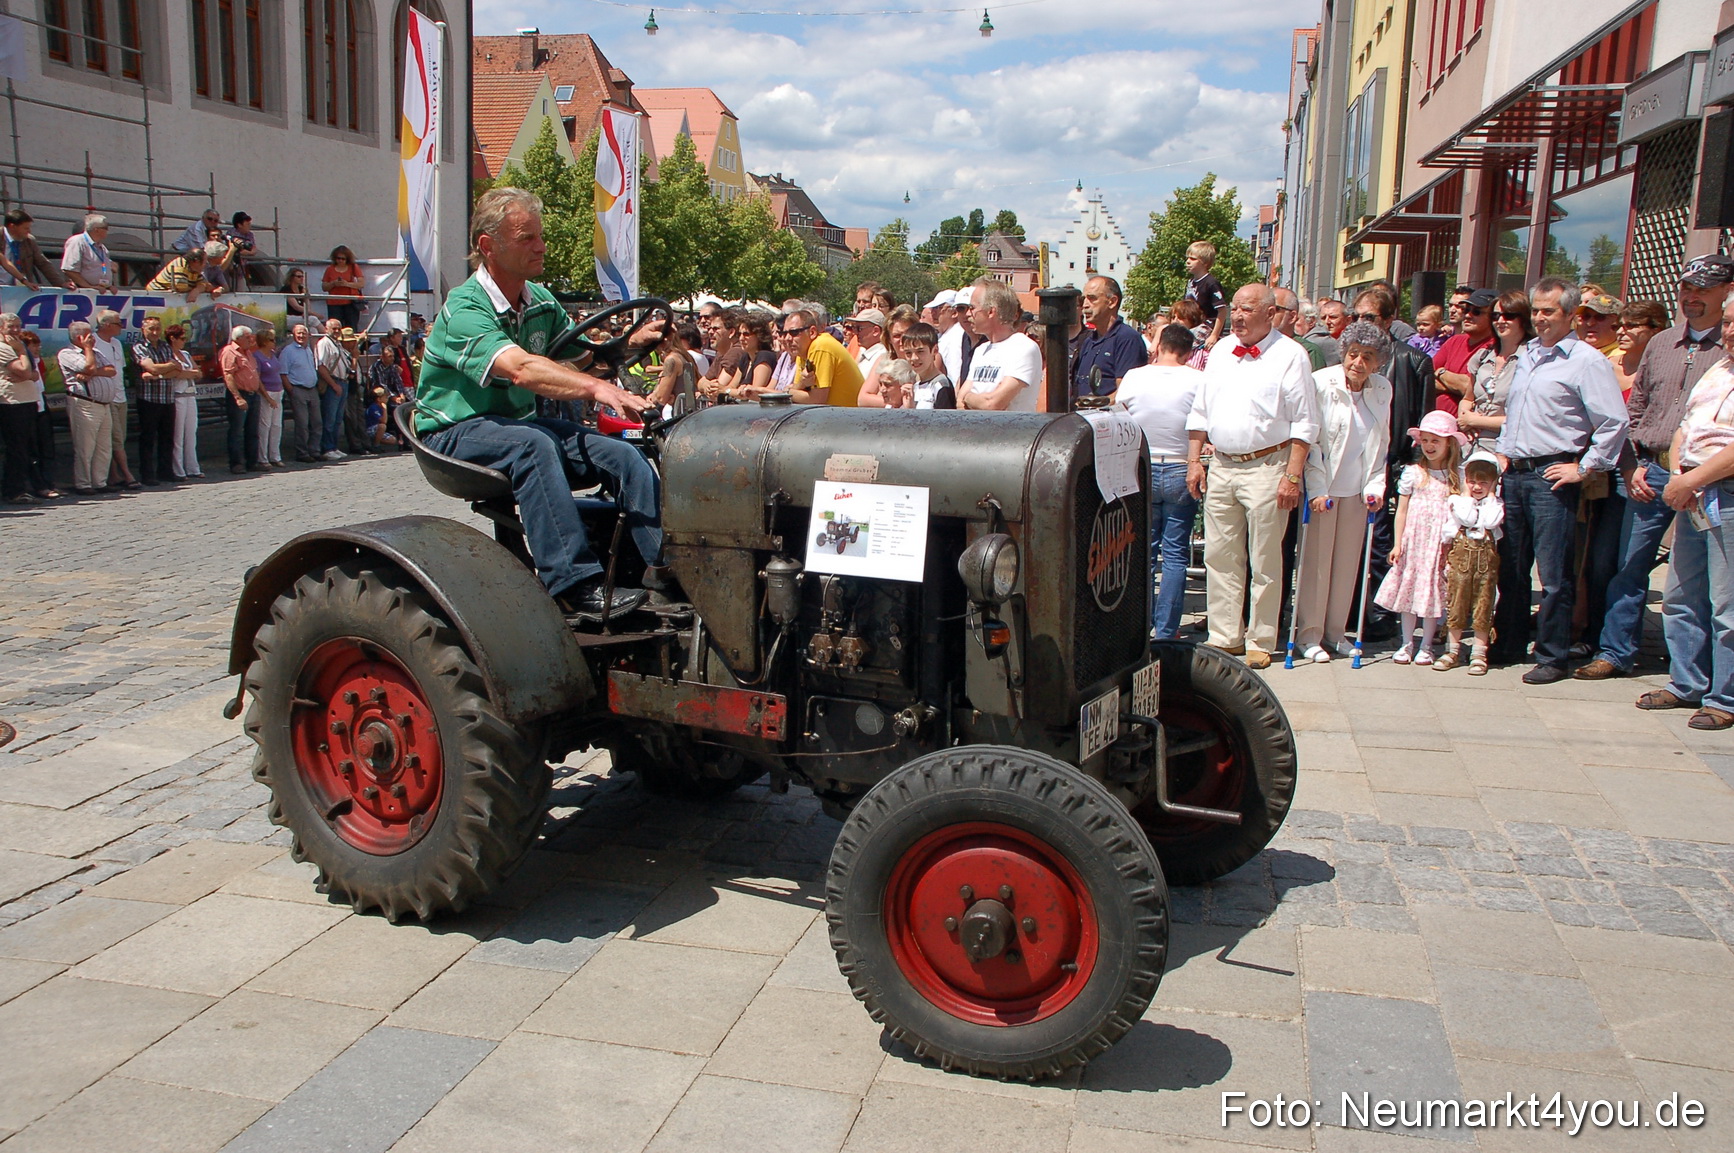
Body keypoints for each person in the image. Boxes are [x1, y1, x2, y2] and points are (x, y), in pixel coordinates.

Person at [416, 188, 668, 618]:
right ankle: (572, 585)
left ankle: (664, 571)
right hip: (453, 432)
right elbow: (521, 369)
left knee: (624, 455)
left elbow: (585, 356)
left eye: (540, 236)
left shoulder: (540, 301)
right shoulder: (465, 308)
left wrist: (627, 346)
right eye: (527, 238)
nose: (541, 246)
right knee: (533, 447)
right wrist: (593, 389)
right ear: (488, 246)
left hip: (518, 427)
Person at [1578, 255, 1733, 682]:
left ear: (1727, 292)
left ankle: (1703, 677)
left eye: (1703, 290)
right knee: (1630, 565)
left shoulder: (1729, 347)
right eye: (1687, 289)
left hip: (1711, 480)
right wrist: (1631, 466)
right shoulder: (1663, 342)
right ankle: (1616, 651)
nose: (1692, 297)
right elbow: (1636, 409)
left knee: (1707, 585)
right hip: (1651, 473)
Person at [1491, 278, 1630, 682]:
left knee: (1553, 575)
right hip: (1515, 473)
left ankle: (1552, 655)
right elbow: (1518, 413)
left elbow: (1613, 422)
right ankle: (1510, 642)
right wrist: (1503, 451)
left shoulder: (1587, 361)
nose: (1539, 318)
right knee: (1512, 568)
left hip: (1554, 476)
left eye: (1548, 311)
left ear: (1570, 315)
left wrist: (1584, 467)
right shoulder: (1529, 353)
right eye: (1535, 310)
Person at [1186, 283, 1319, 668]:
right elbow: (1200, 412)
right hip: (1223, 465)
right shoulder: (1221, 351)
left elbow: (1305, 423)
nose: (1238, 317)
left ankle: (1261, 637)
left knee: (1265, 559)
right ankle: (1225, 635)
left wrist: (1292, 476)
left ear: (1270, 312)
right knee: (1219, 555)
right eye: (1236, 310)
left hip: (1268, 466)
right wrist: (1195, 461)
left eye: (1247, 309)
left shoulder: (1291, 355)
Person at [1641, 294, 1734, 726]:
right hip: (1691, 490)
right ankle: (1687, 682)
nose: (1729, 332)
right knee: (1680, 595)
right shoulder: (1718, 369)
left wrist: (1692, 480)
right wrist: (1680, 474)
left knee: (1726, 604)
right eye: (1728, 323)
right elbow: (1686, 426)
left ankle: (1724, 698)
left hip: (1724, 492)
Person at [1295, 320, 1393, 661]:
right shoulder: (1322, 383)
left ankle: (1336, 633)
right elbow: (1314, 441)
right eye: (1353, 354)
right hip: (1325, 488)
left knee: (1348, 564)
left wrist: (1376, 485)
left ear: (1378, 362)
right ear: (1343, 354)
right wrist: (1317, 488)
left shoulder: (1382, 389)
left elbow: (1381, 443)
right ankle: (1310, 634)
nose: (1358, 363)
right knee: (1317, 564)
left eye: (1367, 357)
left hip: (1358, 490)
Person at [1121, 322, 1204, 638]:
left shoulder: (1135, 376)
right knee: (1175, 555)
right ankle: (1167, 630)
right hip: (1181, 468)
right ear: (1188, 353)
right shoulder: (1198, 379)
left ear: (1159, 345)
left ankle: (1140, 624)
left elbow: (1120, 412)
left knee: (1144, 553)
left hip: (1142, 466)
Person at [1376, 411, 1466, 665]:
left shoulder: (1456, 476)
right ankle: (1406, 642)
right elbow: (1401, 510)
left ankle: (1427, 644)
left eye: (1435, 441)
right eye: (1425, 441)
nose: (1429, 446)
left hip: (1439, 543)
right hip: (1414, 541)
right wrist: (1398, 542)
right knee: (1409, 593)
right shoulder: (1414, 472)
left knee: (1432, 594)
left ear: (1448, 443)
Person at [1437, 450, 1504, 674]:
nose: (1477, 487)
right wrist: (1466, 495)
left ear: (1493, 483)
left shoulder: (1495, 505)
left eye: (1483, 483)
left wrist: (1491, 497)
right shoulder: (1458, 501)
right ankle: (1453, 649)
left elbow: (1491, 521)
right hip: (1461, 561)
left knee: (1483, 604)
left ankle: (1479, 652)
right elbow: (1466, 518)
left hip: (1485, 564)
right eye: (1472, 481)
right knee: (1456, 603)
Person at [1455, 290, 1531, 455]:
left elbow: (1524, 418)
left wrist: (1476, 420)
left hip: (1504, 452)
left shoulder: (1531, 360)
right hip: (1469, 448)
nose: (1500, 321)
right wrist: (1464, 418)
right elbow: (1468, 398)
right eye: (1495, 316)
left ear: (1523, 319)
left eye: (1508, 316)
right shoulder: (1482, 356)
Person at [959, 279, 1044, 411]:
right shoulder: (981, 350)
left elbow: (993, 404)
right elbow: (959, 401)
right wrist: (975, 400)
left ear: (991, 311)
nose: (968, 314)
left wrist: (969, 398)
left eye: (972, 308)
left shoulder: (1023, 347)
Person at [59, 320, 119, 493]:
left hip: (104, 404)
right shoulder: (67, 353)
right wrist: (87, 352)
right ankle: (83, 483)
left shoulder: (97, 351)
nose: (92, 338)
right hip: (85, 404)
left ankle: (100, 482)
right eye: (88, 335)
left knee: (104, 446)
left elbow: (111, 370)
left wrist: (92, 372)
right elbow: (87, 366)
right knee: (85, 447)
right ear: (79, 337)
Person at [1073, 275, 1147, 401]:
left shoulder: (1127, 339)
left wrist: (1096, 406)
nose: (1085, 305)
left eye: (1092, 299)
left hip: (1107, 418)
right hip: (1084, 417)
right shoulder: (1088, 341)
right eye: (1083, 299)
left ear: (1112, 302)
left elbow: (1125, 393)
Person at [129, 316, 179, 485]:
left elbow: (177, 369)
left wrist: (156, 374)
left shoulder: (165, 346)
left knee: (167, 437)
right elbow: (150, 367)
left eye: (158, 328)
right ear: (143, 330)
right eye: (151, 329)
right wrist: (164, 369)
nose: (155, 332)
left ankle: (166, 471)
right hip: (148, 398)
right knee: (148, 438)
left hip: (167, 397)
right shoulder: (139, 347)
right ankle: (147, 474)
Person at [91, 310, 137, 490]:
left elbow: (120, 369)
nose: (121, 327)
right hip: (105, 396)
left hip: (120, 396)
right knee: (115, 438)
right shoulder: (93, 342)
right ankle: (126, 474)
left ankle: (113, 474)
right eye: (119, 323)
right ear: (107, 325)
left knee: (119, 438)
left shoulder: (117, 343)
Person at [1432, 288, 1496, 414]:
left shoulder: (1494, 348)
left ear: (1493, 317)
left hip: (1466, 427)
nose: (1467, 315)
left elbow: (1469, 387)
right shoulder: (1454, 341)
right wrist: (1454, 385)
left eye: (1476, 312)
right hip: (1435, 424)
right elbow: (1426, 378)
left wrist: (1440, 372)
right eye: (1466, 310)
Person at [0, 313, 41, 503]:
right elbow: (25, 370)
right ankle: (14, 490)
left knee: (25, 448)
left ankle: (20, 487)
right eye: (11, 327)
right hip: (13, 402)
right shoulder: (6, 348)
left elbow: (34, 374)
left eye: (18, 326)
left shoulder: (17, 345)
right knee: (16, 448)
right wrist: (22, 353)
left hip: (27, 400)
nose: (16, 330)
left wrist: (25, 372)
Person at [786, 307, 864, 407]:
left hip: (852, 418)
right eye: (784, 333)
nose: (787, 338)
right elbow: (798, 391)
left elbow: (817, 400)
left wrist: (786, 392)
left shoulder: (821, 346)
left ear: (812, 332)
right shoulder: (802, 352)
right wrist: (801, 384)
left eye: (794, 333)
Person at [220, 326, 263, 474]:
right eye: (248, 337)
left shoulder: (249, 353)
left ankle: (252, 462)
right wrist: (237, 397)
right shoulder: (230, 352)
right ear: (238, 338)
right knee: (237, 431)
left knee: (252, 431)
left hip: (253, 395)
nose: (251, 339)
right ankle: (236, 463)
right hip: (240, 395)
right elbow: (229, 376)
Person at [164, 325, 203, 479]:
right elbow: (174, 374)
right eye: (182, 338)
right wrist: (188, 373)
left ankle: (193, 467)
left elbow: (198, 372)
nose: (184, 341)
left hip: (190, 395)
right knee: (178, 434)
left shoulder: (185, 354)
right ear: (173, 338)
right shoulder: (167, 354)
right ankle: (178, 469)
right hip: (178, 396)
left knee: (191, 432)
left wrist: (187, 373)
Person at [279, 322, 322, 462]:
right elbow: (283, 373)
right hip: (298, 389)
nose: (301, 336)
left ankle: (314, 450)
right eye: (298, 333)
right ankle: (302, 453)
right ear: (293, 335)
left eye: (304, 333)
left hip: (312, 389)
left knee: (316, 422)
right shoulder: (288, 351)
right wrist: (291, 390)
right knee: (302, 424)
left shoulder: (308, 349)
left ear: (308, 335)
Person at [1608, 301, 1669, 399]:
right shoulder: (1605, 365)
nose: (1620, 332)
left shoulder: (1664, 370)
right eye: (1617, 326)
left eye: (1630, 326)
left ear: (1655, 330)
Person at [314, 318, 351, 460]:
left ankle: (334, 446)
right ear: (326, 328)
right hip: (333, 383)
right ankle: (327, 448)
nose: (336, 331)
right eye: (333, 328)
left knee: (337, 418)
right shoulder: (324, 343)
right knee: (329, 418)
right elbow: (321, 366)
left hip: (342, 382)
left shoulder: (337, 343)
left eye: (338, 328)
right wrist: (333, 384)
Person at [0, 210, 64, 289]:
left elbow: (43, 264)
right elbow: (5, 262)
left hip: (20, 290)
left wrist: (61, 284)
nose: (29, 231)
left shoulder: (29, 240)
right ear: (12, 226)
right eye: (26, 228)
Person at [1184, 241, 1226, 349]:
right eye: (1188, 258)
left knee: (1183, 343)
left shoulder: (1211, 283)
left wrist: (1214, 335)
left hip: (1207, 326)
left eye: (1193, 259)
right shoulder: (1191, 282)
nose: (1188, 262)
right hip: (1192, 323)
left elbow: (1222, 311)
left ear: (1205, 262)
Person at [254, 327, 286, 468]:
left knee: (277, 425)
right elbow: (258, 379)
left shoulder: (272, 355)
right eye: (272, 340)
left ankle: (275, 455)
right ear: (265, 342)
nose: (274, 343)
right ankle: (263, 458)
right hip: (267, 393)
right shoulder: (257, 356)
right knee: (265, 426)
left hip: (278, 392)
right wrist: (267, 397)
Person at [146, 246, 222, 301]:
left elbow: (204, 284)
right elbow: (182, 288)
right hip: (155, 296)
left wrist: (197, 290)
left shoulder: (194, 269)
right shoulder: (179, 265)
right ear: (196, 261)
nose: (205, 265)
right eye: (204, 262)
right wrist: (199, 288)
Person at [60, 214, 113, 289]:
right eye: (106, 228)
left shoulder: (101, 247)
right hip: (82, 292)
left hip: (99, 291)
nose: (107, 231)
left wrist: (109, 286)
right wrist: (88, 286)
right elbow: (70, 269)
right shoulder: (77, 241)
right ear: (96, 230)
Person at [322, 246, 364, 329]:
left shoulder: (353, 267)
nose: (340, 261)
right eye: (338, 258)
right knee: (335, 328)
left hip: (350, 303)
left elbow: (361, 284)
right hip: (334, 304)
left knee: (351, 328)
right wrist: (333, 283)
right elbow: (324, 287)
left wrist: (346, 284)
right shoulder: (330, 269)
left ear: (347, 259)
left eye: (343, 259)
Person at [846, 308, 889, 379]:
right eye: (854, 328)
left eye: (859, 328)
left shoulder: (882, 357)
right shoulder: (862, 351)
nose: (855, 333)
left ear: (876, 331)